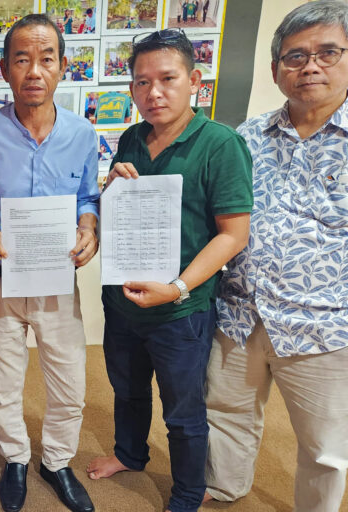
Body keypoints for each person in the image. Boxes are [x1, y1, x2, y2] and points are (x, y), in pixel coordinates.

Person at [84, 28, 253, 512]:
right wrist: (110, 185)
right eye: (141, 82)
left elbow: (233, 234)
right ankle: (130, 454)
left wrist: (178, 287)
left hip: (180, 309)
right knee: (127, 390)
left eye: (167, 79)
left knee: (183, 411)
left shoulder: (220, 144)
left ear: (194, 80)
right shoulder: (132, 137)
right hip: (123, 301)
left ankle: (185, 494)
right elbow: (115, 213)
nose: (153, 93)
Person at [203, 2, 348, 511]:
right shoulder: (244, 137)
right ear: (275, 69)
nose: (311, 66)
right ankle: (224, 488)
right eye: (296, 56)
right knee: (225, 413)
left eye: (328, 53)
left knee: (325, 449)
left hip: (323, 326)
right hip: (240, 313)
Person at [0, 13, 98, 512]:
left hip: (58, 279)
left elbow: (89, 196)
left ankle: (57, 461)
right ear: (5, 69)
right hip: (0, 278)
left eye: (46, 59)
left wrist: (89, 227)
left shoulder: (82, 133)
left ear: (63, 67)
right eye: (22, 59)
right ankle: (16, 458)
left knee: (70, 383)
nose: (34, 71)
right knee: (4, 381)